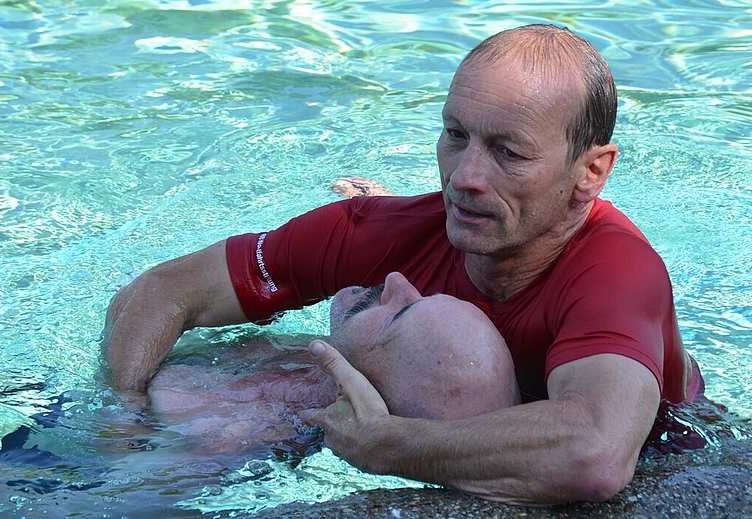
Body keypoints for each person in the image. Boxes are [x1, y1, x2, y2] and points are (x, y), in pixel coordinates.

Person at [103, 24, 704, 504]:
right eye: (455, 135)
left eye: (509, 153)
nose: (464, 178)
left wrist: (391, 446)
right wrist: (121, 423)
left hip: (669, 452)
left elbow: (597, 456)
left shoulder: (617, 272)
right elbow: (157, 293)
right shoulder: (386, 234)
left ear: (590, 172)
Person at [147, 272, 520, 455]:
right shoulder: (314, 364)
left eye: (399, 314)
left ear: (358, 391)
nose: (397, 280)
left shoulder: (216, 432)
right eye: (425, 295)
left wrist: (128, 403)